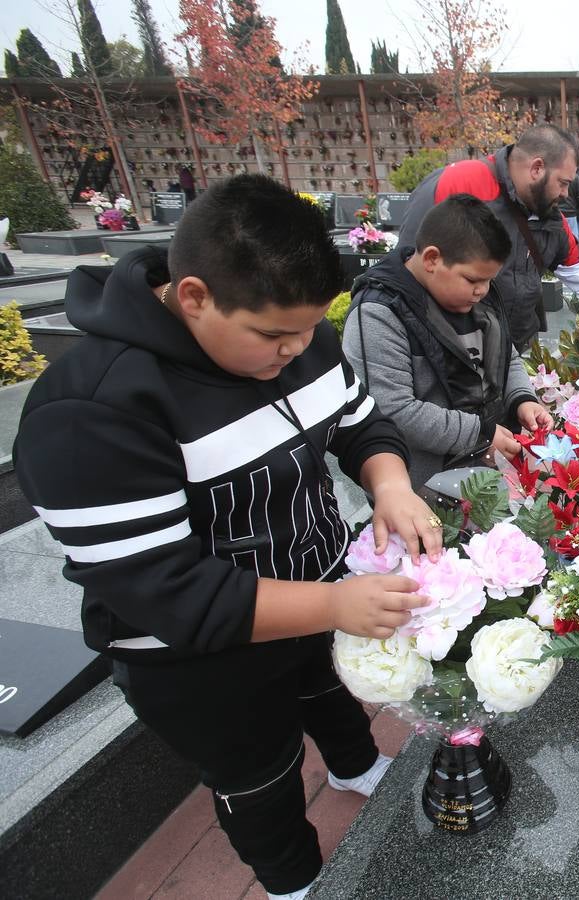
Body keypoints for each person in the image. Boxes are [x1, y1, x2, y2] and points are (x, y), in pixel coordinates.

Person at [14, 174, 442, 900]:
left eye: (309, 330)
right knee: (261, 773)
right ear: (193, 297)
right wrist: (335, 606)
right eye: (275, 336)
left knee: (328, 689)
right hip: (198, 661)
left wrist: (391, 484)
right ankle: (293, 881)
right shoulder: (92, 410)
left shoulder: (298, 338)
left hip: (314, 592)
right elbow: (171, 593)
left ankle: (352, 765)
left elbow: (360, 421)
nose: (298, 350)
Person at [343, 195, 552, 488]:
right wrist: (480, 433)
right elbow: (393, 411)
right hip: (425, 489)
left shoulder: (476, 294)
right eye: (473, 280)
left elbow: (507, 355)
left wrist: (522, 399)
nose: (482, 290)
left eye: (489, 280)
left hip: (490, 465)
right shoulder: (379, 313)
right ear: (432, 259)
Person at [395, 125, 579, 352]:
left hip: (517, 350)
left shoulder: (547, 213)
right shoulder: (459, 182)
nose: (565, 194)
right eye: (563, 183)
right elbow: (407, 269)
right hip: (458, 353)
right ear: (537, 168)